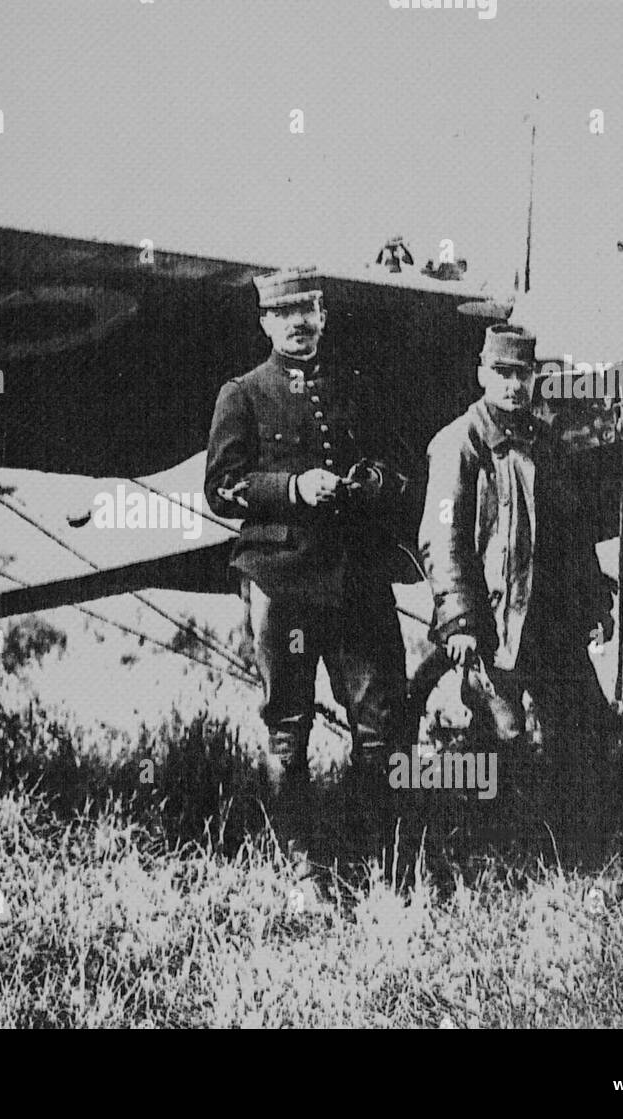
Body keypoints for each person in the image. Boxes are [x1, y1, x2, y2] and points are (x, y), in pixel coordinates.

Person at [205, 266, 409, 828]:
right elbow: (222, 489)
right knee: (289, 727)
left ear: (323, 316)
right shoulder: (242, 394)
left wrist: (372, 480)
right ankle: (301, 866)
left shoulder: (356, 387)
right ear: (266, 322)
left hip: (356, 576)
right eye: (284, 313)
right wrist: (294, 488)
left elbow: (397, 470)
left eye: (308, 311)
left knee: (378, 721)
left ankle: (374, 858)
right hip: (280, 577)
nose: (299, 323)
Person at [418, 323, 616, 800]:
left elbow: (574, 537)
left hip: (552, 620)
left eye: (521, 374)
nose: (512, 384)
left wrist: (595, 606)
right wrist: (460, 619)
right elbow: (442, 539)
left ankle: (573, 850)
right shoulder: (458, 443)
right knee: (503, 740)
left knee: (587, 736)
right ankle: (492, 851)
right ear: (482, 373)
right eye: (502, 372)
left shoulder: (547, 445)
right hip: (494, 622)